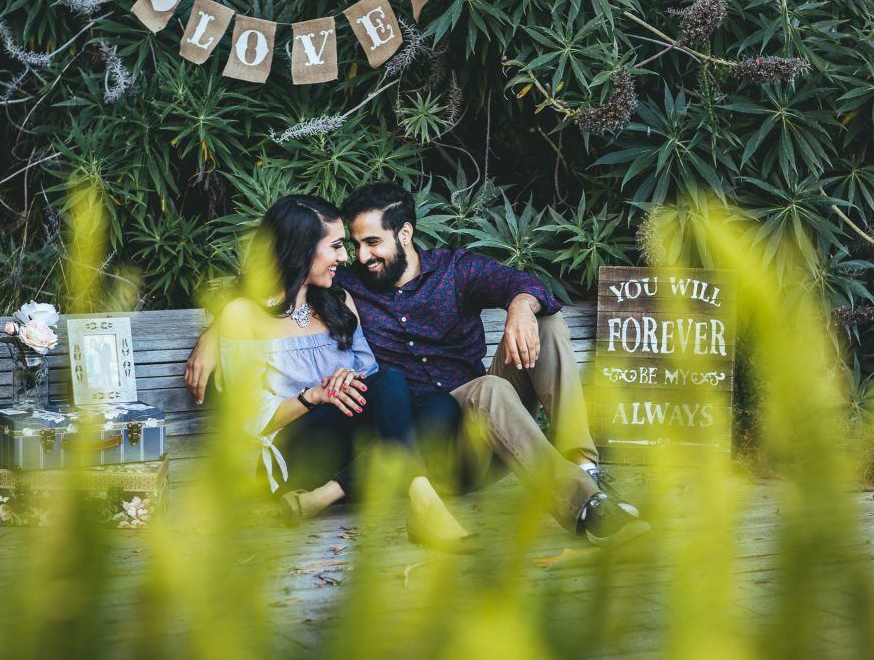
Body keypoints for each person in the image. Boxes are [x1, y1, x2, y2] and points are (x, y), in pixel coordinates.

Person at [187, 183, 648, 547]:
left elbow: (525, 283)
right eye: (348, 245)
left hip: (457, 425)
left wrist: (522, 307)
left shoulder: (446, 272)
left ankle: (583, 469)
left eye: (370, 242)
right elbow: (267, 290)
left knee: (539, 324)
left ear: (404, 233)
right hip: (390, 433)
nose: (358, 255)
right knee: (456, 390)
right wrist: (215, 333)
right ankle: (581, 507)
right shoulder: (347, 284)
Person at [211, 194, 476, 553]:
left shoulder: (338, 302)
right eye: (335, 246)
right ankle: (423, 503)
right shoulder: (244, 316)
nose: (344, 257)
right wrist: (315, 395)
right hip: (289, 453)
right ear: (301, 248)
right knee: (393, 383)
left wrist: (345, 378)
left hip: (345, 447)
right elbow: (252, 421)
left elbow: (369, 380)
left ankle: (325, 495)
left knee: (441, 407)